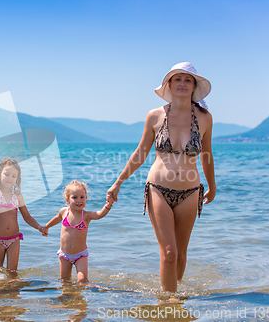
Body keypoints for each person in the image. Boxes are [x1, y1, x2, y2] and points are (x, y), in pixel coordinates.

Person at [106, 62, 216, 294]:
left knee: (181, 254)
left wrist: (213, 186)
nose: (183, 84)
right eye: (178, 79)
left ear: (194, 86)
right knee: (169, 253)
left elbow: (207, 155)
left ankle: (174, 297)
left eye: (188, 80)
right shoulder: (155, 116)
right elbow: (140, 153)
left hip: (191, 192)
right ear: (169, 84)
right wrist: (118, 182)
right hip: (158, 188)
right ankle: (168, 302)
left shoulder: (205, 118)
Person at [0, 158, 47, 274]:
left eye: (13, 176)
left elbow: (27, 216)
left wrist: (39, 227)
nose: (9, 178)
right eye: (6, 174)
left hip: (14, 239)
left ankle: (12, 291)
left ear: (17, 179)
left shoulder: (17, 195)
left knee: (12, 273)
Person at [44, 180, 114, 283]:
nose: (79, 200)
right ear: (67, 199)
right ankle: (68, 297)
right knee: (64, 280)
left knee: (82, 279)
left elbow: (99, 214)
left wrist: (108, 204)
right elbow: (57, 218)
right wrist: (46, 227)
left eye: (82, 197)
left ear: (86, 198)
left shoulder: (86, 215)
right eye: (74, 197)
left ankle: (81, 297)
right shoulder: (64, 212)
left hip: (80, 255)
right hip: (64, 254)